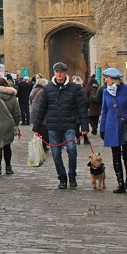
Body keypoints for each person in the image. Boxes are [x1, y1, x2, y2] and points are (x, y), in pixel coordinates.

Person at [32, 62, 89, 190]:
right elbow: (42, 109)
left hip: (69, 125)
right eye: (57, 72)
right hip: (53, 126)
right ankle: (62, 178)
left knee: (71, 149)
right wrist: (36, 127)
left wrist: (84, 127)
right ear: (54, 73)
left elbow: (82, 108)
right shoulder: (48, 89)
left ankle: (72, 175)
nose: (59, 74)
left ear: (65, 73)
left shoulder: (75, 88)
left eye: (61, 72)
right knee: (56, 153)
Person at [98, 67, 127, 194]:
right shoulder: (106, 92)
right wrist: (102, 128)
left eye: (107, 77)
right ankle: (120, 183)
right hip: (112, 126)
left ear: (113, 79)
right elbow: (104, 111)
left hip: (125, 126)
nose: (105, 80)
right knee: (115, 155)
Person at [29, 78, 49, 150]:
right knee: (43, 129)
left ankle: (41, 144)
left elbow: (31, 99)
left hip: (34, 111)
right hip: (41, 112)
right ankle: (43, 145)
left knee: (38, 129)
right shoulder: (42, 91)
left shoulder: (34, 90)